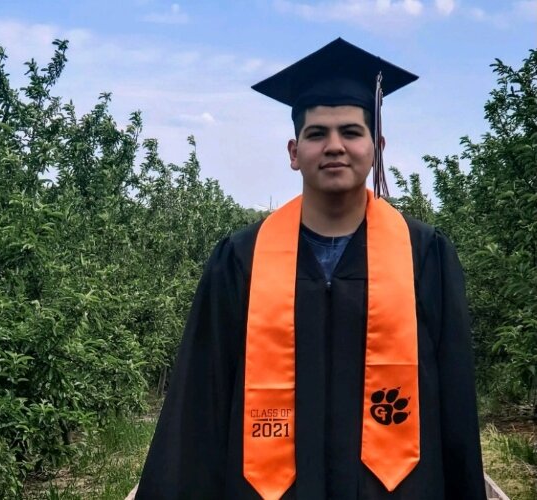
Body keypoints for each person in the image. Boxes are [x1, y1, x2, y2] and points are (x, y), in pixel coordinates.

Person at [135, 38, 486, 499]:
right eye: (317, 133)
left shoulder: (425, 255)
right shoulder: (241, 259)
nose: (335, 146)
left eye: (351, 132)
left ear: (377, 146)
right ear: (294, 151)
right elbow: (200, 400)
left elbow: (455, 400)